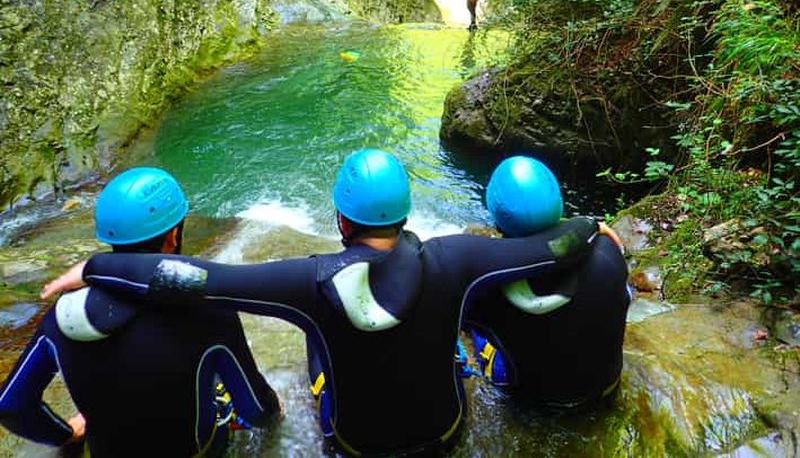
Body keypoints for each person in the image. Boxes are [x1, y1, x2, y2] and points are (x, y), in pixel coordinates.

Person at [41, 149, 608, 457]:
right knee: (456, 318)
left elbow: (202, 279)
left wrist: (98, 266)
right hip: (446, 431)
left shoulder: (307, 281)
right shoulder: (457, 257)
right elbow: (550, 248)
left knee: (317, 334)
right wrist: (593, 224)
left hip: (357, 443)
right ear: (407, 213)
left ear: (340, 218)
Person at [0, 167, 280, 457]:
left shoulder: (65, 316)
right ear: (173, 236)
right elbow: (257, 410)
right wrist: (276, 410)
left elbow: (10, 405)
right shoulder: (208, 310)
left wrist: (65, 433)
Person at [464, 156, 631, 409]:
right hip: (605, 387)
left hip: (535, 399)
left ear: (497, 215)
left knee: (473, 328)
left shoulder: (490, 285)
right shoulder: (608, 248)